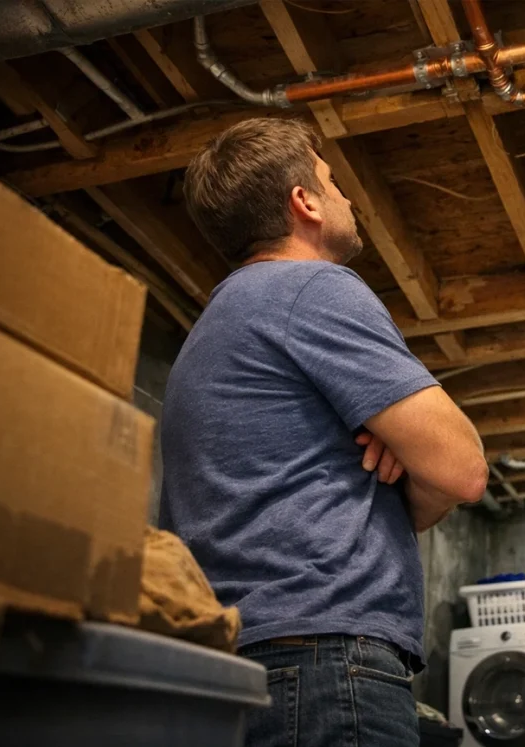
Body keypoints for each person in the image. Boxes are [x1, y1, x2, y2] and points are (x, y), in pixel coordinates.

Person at [159, 117, 489, 747]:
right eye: (333, 182)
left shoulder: (214, 325)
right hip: (324, 667)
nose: (347, 197)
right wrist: (419, 464)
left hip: (231, 675)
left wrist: (411, 466)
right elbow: (463, 467)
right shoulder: (310, 288)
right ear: (304, 201)